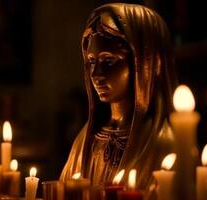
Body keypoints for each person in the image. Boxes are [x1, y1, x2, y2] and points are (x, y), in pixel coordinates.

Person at [60, 3, 177, 189]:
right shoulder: (84, 142)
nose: (96, 74)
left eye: (109, 60)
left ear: (145, 64)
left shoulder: (164, 146)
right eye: (91, 61)